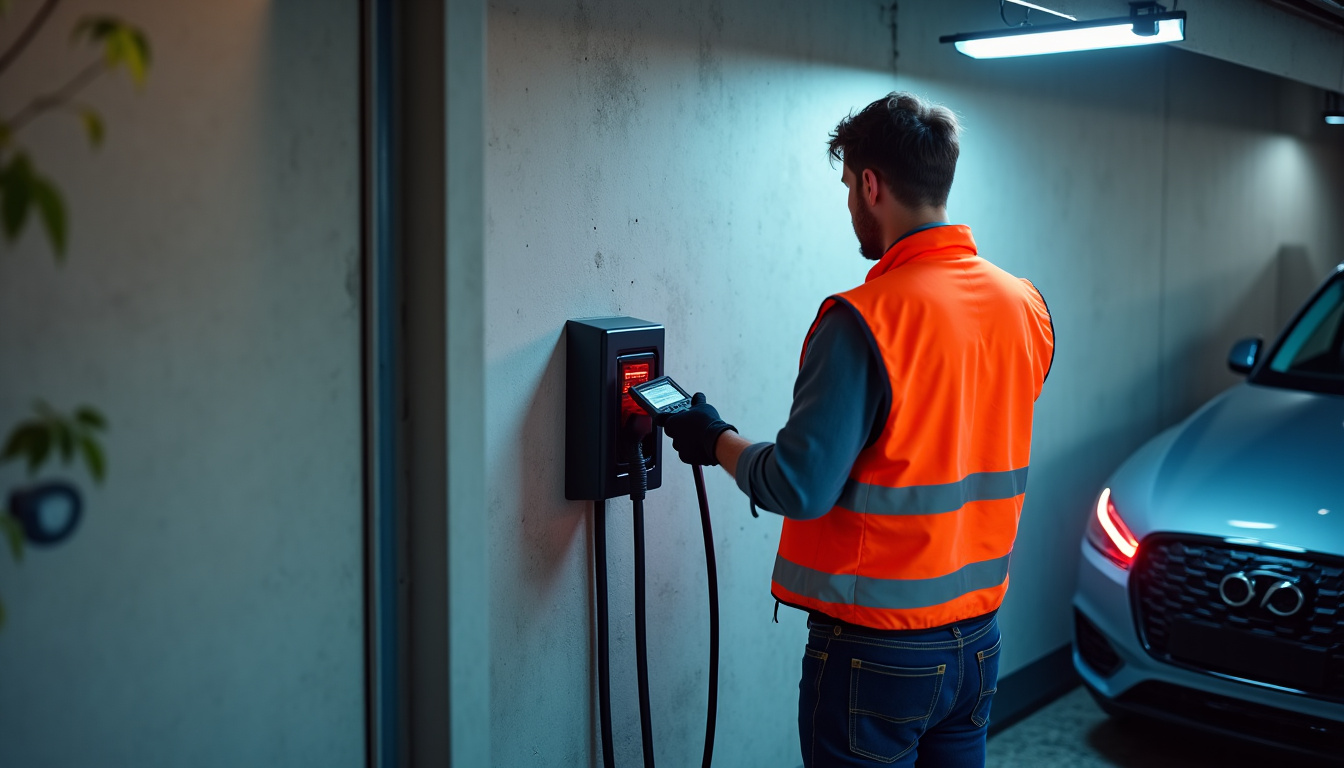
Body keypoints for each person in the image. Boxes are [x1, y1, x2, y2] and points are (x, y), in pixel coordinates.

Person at [658, 92, 1054, 767]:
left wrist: (712, 437)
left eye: (848, 186)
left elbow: (798, 486)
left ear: (871, 185)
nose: (849, 204)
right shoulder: (1025, 306)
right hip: (979, 643)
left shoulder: (864, 320)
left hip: (878, 652)